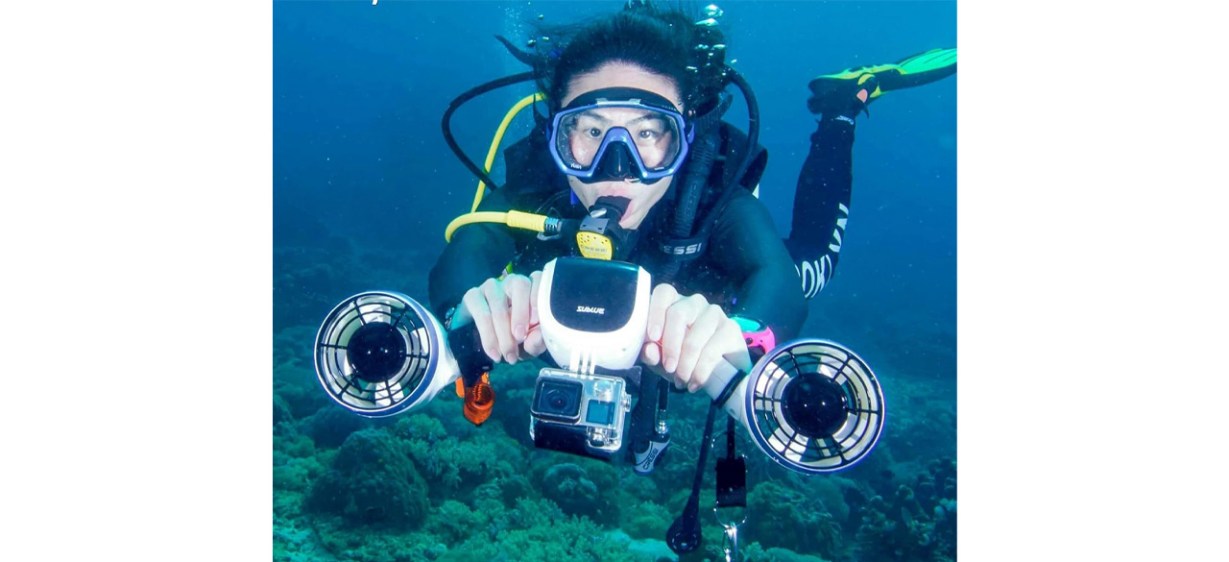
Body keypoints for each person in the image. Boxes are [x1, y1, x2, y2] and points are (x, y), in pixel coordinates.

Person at [429, 2, 955, 400]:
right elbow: (473, 245)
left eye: (649, 132)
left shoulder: (708, 194)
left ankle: (843, 107)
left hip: (705, 272)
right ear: (557, 138)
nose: (619, 168)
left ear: (684, 138)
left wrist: (744, 337)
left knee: (814, 263)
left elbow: (779, 282)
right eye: (590, 131)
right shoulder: (539, 187)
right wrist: (467, 311)